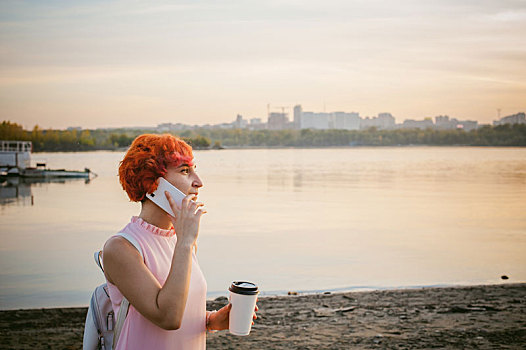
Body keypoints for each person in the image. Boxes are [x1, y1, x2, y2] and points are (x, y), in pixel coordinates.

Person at [102, 134, 257, 349]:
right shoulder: (121, 248)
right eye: (185, 171)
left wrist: (211, 320)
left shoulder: (181, 238)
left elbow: (180, 305)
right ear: (153, 182)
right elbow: (167, 317)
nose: (198, 182)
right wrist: (185, 242)